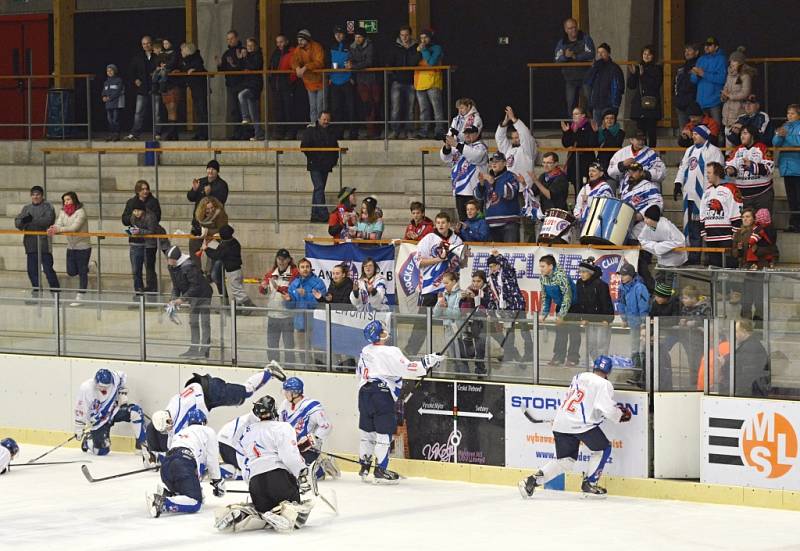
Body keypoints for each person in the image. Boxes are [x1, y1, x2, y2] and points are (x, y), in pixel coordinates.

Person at [519, 355, 632, 498]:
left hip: (561, 422)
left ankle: (531, 481)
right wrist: (619, 415)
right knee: (603, 448)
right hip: (581, 424)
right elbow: (607, 409)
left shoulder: (578, 376)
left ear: (593, 367)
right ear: (608, 372)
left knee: (565, 462)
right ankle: (590, 484)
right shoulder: (604, 384)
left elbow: (586, 401)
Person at [357, 320, 442, 482]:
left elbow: (359, 374)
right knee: (383, 433)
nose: (385, 333)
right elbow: (410, 368)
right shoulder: (390, 351)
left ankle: (364, 467)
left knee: (367, 433)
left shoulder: (365, 350)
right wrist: (428, 361)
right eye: (382, 331)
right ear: (379, 335)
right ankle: (380, 470)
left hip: (363, 393)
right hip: (381, 394)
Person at [143, 365, 282, 462]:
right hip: (203, 391)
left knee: (246, 391)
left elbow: (193, 431)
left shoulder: (181, 417)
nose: (168, 428)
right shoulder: (170, 407)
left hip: (212, 391)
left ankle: (269, 371)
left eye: (167, 425)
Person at [215, 396, 313, 532]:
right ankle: (285, 513)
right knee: (296, 507)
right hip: (278, 480)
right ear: (274, 410)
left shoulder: (247, 432)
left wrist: (250, 482)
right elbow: (289, 456)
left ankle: (246, 513)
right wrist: (302, 473)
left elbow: (244, 460)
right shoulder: (283, 427)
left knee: (261, 510)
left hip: (255, 485)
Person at [146, 409, 224, 517]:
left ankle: (170, 494)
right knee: (195, 502)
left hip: (166, 468)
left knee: (190, 493)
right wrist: (217, 481)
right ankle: (162, 502)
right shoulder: (207, 431)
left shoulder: (180, 433)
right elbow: (212, 459)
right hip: (183, 464)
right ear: (204, 422)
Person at [407, 212, 464, 355]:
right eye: (438, 223)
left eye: (443, 223)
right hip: (429, 288)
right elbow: (419, 262)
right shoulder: (428, 238)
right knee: (421, 324)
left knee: (452, 325)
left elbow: (461, 265)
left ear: (449, 224)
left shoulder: (456, 239)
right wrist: (439, 259)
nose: (440, 226)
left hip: (449, 290)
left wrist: (464, 257)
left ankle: (457, 357)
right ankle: (410, 353)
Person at [673, 124, 724, 263]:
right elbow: (683, 168)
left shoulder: (714, 151)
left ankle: (709, 258)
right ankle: (693, 257)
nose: (693, 136)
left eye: (696, 134)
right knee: (693, 228)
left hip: (706, 196)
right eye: (693, 134)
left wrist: (713, 193)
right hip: (690, 195)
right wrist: (678, 183)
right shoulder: (689, 150)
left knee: (708, 227)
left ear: (704, 135)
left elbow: (718, 173)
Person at [73, 368, 145, 456]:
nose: (104, 389)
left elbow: (122, 377)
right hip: (99, 421)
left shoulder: (115, 378)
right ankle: (88, 441)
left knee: (136, 411)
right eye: (101, 386)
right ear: (95, 382)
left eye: (107, 386)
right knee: (102, 451)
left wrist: (122, 393)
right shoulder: (86, 389)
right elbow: (80, 410)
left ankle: (142, 446)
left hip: (114, 411)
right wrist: (79, 428)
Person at [279, 376, 337, 479]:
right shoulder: (285, 404)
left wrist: (311, 439)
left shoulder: (311, 406)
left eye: (287, 391)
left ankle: (320, 467)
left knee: (302, 475)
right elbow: (279, 423)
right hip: (290, 446)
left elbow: (327, 426)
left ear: (295, 393)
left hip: (307, 448)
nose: (285, 394)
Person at [166, 245, 213, 358]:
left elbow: (195, 286)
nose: (168, 261)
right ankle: (193, 348)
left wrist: (182, 299)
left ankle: (205, 350)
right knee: (193, 322)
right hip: (192, 296)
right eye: (167, 259)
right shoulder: (172, 267)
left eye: (170, 259)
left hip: (203, 295)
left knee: (205, 322)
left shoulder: (189, 266)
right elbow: (176, 285)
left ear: (176, 258)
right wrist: (173, 299)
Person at [487, 251, 533, 365]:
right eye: (490, 267)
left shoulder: (507, 272)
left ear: (499, 265)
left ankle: (529, 352)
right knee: (509, 330)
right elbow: (494, 294)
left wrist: (498, 256)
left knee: (524, 329)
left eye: (493, 265)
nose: (492, 268)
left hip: (517, 305)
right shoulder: (492, 278)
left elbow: (506, 264)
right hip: (505, 308)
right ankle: (509, 352)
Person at [15, 185, 60, 298]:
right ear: (31, 196)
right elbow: (18, 223)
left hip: (44, 244)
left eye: (38, 194)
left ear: (42, 195)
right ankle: (37, 293)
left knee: (48, 270)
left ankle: (56, 293)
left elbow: (48, 221)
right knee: (32, 271)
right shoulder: (26, 208)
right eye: (33, 195)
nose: (35, 197)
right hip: (30, 244)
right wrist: (25, 221)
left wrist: (29, 220)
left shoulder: (48, 206)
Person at [202, 224, 256, 314]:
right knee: (237, 288)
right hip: (237, 270)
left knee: (236, 290)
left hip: (233, 271)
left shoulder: (226, 246)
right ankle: (238, 308)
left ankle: (249, 304)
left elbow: (217, 254)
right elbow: (221, 248)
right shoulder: (233, 241)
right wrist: (211, 242)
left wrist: (206, 249)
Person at [48, 191, 90, 305]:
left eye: (68, 200)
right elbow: (59, 223)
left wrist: (58, 230)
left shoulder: (81, 212)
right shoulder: (63, 212)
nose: (66, 202)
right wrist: (54, 227)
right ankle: (89, 266)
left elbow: (74, 228)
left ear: (74, 200)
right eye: (65, 200)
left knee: (82, 272)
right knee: (71, 271)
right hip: (71, 246)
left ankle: (80, 296)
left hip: (83, 246)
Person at [440, 124, 489, 221]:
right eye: (466, 133)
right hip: (459, 190)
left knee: (476, 220)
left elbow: (475, 156)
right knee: (463, 221)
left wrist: (457, 145)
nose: (467, 135)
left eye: (470, 133)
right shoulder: (459, 146)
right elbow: (445, 158)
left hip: (474, 191)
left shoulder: (481, 147)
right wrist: (447, 145)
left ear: (476, 134)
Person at [260, 249, 298, 366]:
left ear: (289, 260)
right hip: (273, 315)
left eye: (284, 259)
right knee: (272, 345)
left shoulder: (294, 273)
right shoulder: (271, 273)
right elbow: (263, 291)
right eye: (279, 259)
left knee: (288, 345)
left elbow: (292, 291)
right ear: (276, 260)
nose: (281, 262)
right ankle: (273, 367)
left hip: (287, 316)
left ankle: (290, 367)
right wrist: (263, 286)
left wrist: (279, 289)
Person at [571, 257, 614, 361]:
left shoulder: (601, 285)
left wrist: (607, 319)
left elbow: (606, 302)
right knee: (591, 346)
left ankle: (601, 368)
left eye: (584, 272)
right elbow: (580, 302)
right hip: (589, 321)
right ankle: (595, 364)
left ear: (590, 272)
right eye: (580, 272)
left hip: (601, 321)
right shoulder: (579, 284)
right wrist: (582, 317)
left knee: (601, 346)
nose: (581, 274)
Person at [700, 162, 742, 267]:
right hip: (710, 236)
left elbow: (736, 210)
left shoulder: (730, 188)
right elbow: (702, 213)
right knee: (714, 268)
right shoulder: (707, 192)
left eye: (709, 172)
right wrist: (703, 232)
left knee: (730, 266)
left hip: (726, 236)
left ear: (717, 173)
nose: (707, 175)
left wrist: (735, 233)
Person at [123, 196, 165, 296]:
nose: (136, 213)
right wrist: (132, 231)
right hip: (138, 242)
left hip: (150, 243)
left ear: (143, 210)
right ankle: (139, 290)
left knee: (149, 267)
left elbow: (151, 231)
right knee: (136, 269)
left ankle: (152, 290)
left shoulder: (151, 217)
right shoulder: (133, 217)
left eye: (138, 211)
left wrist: (139, 231)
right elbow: (134, 227)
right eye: (134, 211)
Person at [301, 111, 340, 222]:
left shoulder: (331, 132)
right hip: (315, 164)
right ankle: (323, 213)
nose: (326, 122)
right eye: (324, 119)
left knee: (319, 188)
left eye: (328, 119)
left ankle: (315, 214)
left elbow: (335, 147)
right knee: (319, 187)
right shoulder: (311, 130)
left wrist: (333, 161)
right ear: (319, 119)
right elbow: (304, 146)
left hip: (326, 165)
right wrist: (312, 157)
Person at [187, 160, 229, 262]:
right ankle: (197, 273)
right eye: (209, 168)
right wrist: (194, 190)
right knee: (194, 248)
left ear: (217, 171)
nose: (210, 171)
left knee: (213, 252)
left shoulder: (222, 185)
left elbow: (221, 201)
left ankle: (210, 275)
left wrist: (210, 193)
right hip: (198, 223)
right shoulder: (201, 182)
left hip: (213, 225)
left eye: (213, 169)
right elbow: (190, 197)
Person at [725, 125, 774, 212]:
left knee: (763, 222)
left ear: (752, 135)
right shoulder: (737, 150)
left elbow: (769, 167)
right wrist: (730, 169)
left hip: (762, 194)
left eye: (745, 133)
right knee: (745, 224)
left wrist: (752, 165)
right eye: (741, 134)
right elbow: (728, 163)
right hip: (742, 196)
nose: (742, 136)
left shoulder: (762, 148)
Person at [287, 258, 327, 362]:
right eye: (302, 267)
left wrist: (306, 295)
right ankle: (305, 368)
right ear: (299, 270)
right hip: (300, 323)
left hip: (315, 323)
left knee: (318, 350)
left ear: (311, 268)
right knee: (302, 350)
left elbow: (320, 303)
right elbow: (290, 306)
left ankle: (320, 370)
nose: (305, 269)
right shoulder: (294, 284)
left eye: (307, 267)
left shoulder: (318, 283)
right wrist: (289, 300)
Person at [538, 254, 576, 366]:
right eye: (540, 266)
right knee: (560, 333)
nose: (541, 269)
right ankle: (558, 356)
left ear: (550, 266)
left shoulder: (561, 276)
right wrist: (544, 314)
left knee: (574, 333)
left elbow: (567, 296)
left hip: (574, 306)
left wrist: (561, 315)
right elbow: (546, 297)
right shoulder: (543, 278)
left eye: (543, 266)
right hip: (560, 305)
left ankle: (573, 357)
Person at [475, 152, 520, 242]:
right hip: (491, 224)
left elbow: (510, 194)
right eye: (492, 161)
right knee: (495, 255)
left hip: (509, 223)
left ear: (504, 163)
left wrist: (494, 182)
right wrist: (481, 184)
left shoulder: (511, 176)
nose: (494, 163)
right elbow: (478, 196)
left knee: (509, 253)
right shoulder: (487, 178)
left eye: (497, 161)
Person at [554, 18, 595, 115]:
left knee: (590, 102)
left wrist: (575, 56)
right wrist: (565, 56)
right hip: (570, 79)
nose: (573, 30)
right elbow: (556, 58)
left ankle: (592, 125)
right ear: (565, 30)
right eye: (570, 28)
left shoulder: (586, 38)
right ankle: (572, 127)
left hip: (586, 77)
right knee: (571, 104)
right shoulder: (562, 42)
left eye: (574, 27)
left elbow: (591, 54)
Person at [608, 130, 666, 198]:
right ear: (631, 140)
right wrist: (622, 165)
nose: (641, 142)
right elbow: (610, 172)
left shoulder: (651, 154)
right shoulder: (622, 153)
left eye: (643, 139)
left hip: (646, 191)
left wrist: (645, 174)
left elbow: (662, 172)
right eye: (638, 139)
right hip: (627, 191)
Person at [386, 26, 421, 139]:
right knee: (396, 108)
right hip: (397, 81)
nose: (404, 37)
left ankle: (409, 131)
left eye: (406, 35)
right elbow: (389, 63)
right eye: (402, 35)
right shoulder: (395, 47)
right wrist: (394, 75)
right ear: (399, 36)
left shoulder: (416, 47)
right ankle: (395, 131)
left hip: (411, 81)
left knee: (410, 108)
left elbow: (415, 62)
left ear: (410, 35)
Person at [638, 206, 688, 282]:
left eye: (647, 218)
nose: (645, 221)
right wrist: (655, 246)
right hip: (662, 259)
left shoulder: (666, 225)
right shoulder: (647, 227)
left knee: (669, 280)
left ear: (654, 218)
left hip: (675, 258)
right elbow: (642, 240)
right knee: (660, 279)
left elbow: (680, 240)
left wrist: (660, 246)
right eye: (644, 218)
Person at [433, 271, 469, 373]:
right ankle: (456, 378)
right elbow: (435, 313)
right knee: (452, 357)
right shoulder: (443, 294)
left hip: (458, 329)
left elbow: (457, 313)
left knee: (460, 357)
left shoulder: (461, 294)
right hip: (448, 328)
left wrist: (444, 308)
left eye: (447, 283)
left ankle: (464, 379)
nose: (445, 286)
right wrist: (441, 305)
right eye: (443, 283)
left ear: (454, 282)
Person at [627, 45, 662, 146]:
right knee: (640, 133)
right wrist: (633, 74)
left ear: (653, 56)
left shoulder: (657, 69)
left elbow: (656, 85)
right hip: (640, 105)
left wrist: (643, 76)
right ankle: (641, 154)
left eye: (649, 54)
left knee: (651, 132)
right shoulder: (638, 67)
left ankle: (651, 155)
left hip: (652, 105)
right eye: (644, 54)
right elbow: (631, 86)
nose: (646, 56)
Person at [616, 262, 650, 369]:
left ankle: (644, 367)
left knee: (643, 346)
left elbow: (643, 306)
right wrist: (624, 319)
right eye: (621, 275)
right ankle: (636, 366)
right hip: (632, 322)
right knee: (634, 346)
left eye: (624, 275)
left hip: (641, 323)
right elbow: (621, 303)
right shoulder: (621, 287)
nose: (622, 277)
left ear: (631, 275)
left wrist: (644, 322)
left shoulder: (640, 287)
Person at [125, 35, 158, 141]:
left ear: (151, 43)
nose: (146, 45)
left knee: (157, 112)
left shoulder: (157, 55)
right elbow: (131, 71)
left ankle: (157, 133)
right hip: (142, 88)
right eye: (144, 44)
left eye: (148, 43)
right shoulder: (138, 57)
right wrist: (135, 80)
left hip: (155, 87)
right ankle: (135, 133)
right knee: (138, 112)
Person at [350, 27, 380, 139]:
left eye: (360, 37)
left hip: (373, 80)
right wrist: (353, 67)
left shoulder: (370, 45)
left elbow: (369, 61)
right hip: (361, 80)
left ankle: (376, 130)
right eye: (356, 37)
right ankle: (370, 131)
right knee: (366, 106)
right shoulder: (352, 47)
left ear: (364, 37)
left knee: (375, 105)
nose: (357, 39)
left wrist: (354, 66)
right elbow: (350, 60)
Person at [194, 196, 228, 295]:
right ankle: (223, 300)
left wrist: (208, 232)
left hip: (221, 249)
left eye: (212, 208)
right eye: (207, 209)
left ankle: (224, 300)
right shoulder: (202, 219)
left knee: (215, 275)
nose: (210, 211)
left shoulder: (221, 215)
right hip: (211, 248)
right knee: (214, 276)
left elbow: (222, 229)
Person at [495, 105, 536, 187]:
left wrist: (514, 119)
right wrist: (505, 122)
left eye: (517, 137)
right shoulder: (508, 149)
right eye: (513, 138)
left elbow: (525, 134)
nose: (515, 140)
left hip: (524, 189)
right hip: (510, 189)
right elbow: (499, 138)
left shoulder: (528, 150)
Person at [414, 29, 445, 139]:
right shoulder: (416, 48)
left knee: (437, 108)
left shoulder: (437, 48)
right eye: (421, 38)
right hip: (419, 82)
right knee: (423, 109)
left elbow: (431, 63)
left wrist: (424, 50)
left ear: (430, 38)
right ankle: (424, 131)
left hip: (433, 82)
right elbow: (413, 61)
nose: (423, 40)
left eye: (425, 37)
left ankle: (439, 130)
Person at [560, 105, 597, 195]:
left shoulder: (588, 126)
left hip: (585, 160)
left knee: (584, 186)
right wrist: (566, 132)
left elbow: (586, 142)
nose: (574, 116)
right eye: (573, 114)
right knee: (576, 185)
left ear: (583, 115)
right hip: (574, 161)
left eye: (576, 114)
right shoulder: (572, 127)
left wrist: (595, 132)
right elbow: (566, 144)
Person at [216, 30, 246, 140]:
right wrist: (219, 65)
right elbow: (222, 69)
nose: (230, 41)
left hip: (242, 84)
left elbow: (244, 66)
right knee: (234, 110)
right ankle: (237, 133)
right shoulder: (226, 54)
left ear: (237, 38)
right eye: (228, 39)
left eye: (232, 38)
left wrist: (241, 59)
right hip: (231, 85)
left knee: (243, 110)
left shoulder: (243, 50)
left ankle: (245, 133)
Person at [460, 270, 491, 374]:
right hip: (470, 322)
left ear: (483, 282)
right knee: (469, 348)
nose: (475, 283)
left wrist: (475, 297)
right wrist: (463, 298)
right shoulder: (469, 289)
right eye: (473, 281)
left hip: (482, 322)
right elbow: (461, 307)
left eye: (478, 281)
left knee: (480, 347)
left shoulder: (488, 291)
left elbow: (487, 304)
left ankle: (480, 369)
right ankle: (471, 357)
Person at [721, 47, 754, 145]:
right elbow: (725, 88)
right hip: (727, 113)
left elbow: (745, 92)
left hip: (738, 113)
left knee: (738, 145)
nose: (732, 63)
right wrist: (723, 96)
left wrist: (730, 95)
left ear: (740, 63)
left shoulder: (745, 76)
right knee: (728, 147)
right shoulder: (729, 75)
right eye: (731, 61)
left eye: (734, 61)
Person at [584, 43, 624, 125]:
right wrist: (593, 68)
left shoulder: (614, 68)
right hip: (597, 103)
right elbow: (588, 81)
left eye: (603, 52)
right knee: (596, 130)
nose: (600, 55)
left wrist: (615, 104)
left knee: (610, 129)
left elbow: (619, 87)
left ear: (608, 53)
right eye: (599, 52)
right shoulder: (596, 67)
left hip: (609, 104)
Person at [774, 104, 800, 231]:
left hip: (798, 168)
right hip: (787, 168)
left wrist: (786, 135)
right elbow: (775, 143)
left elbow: (798, 142)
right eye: (788, 113)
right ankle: (794, 224)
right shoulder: (784, 126)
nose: (789, 115)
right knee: (792, 200)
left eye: (793, 113)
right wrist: (779, 134)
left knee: (798, 199)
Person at [292, 29, 325, 124]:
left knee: (320, 107)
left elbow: (319, 62)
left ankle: (321, 127)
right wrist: (297, 67)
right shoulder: (298, 49)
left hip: (320, 81)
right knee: (313, 107)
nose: (299, 42)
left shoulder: (317, 47)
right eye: (298, 40)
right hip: (308, 81)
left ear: (307, 39)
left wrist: (306, 67)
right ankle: (313, 127)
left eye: (302, 40)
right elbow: (294, 60)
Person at [328, 25, 354, 140]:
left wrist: (353, 76)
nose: (338, 36)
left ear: (344, 34)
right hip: (334, 81)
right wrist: (329, 76)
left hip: (347, 80)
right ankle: (339, 133)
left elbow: (355, 61)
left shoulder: (351, 46)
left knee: (351, 107)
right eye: (336, 34)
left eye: (340, 34)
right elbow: (328, 62)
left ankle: (353, 132)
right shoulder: (332, 46)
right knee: (336, 108)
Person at [270, 34, 298, 140]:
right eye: (277, 42)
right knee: (278, 109)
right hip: (276, 86)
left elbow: (295, 67)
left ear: (286, 41)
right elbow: (271, 67)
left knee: (289, 109)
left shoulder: (292, 52)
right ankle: (279, 131)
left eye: (281, 42)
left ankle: (291, 132)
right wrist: (271, 81)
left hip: (287, 85)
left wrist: (290, 81)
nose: (279, 44)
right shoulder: (275, 53)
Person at [178, 42, 208, 141]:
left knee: (202, 111)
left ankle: (204, 134)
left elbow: (199, 66)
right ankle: (199, 133)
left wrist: (193, 69)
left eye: (183, 49)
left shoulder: (196, 58)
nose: (181, 51)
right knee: (198, 112)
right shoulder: (186, 59)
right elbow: (184, 68)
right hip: (194, 88)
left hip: (200, 87)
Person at [239, 37, 265, 141]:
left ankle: (245, 117)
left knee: (241, 95)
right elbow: (242, 67)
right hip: (248, 84)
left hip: (255, 85)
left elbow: (254, 66)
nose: (249, 47)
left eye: (251, 46)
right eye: (247, 45)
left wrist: (245, 58)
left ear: (255, 46)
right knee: (254, 111)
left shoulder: (258, 55)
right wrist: (241, 58)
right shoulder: (247, 56)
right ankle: (259, 133)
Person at [531, 152, 570, 221]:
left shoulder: (561, 178)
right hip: (544, 215)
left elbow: (550, 195)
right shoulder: (543, 176)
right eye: (544, 162)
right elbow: (533, 192)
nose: (545, 165)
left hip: (558, 217)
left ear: (556, 163)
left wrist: (536, 181)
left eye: (549, 163)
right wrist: (523, 184)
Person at [573, 161, 613, 226]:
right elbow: (578, 205)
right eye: (589, 171)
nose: (590, 173)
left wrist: (588, 199)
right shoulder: (585, 187)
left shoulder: (605, 188)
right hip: (583, 224)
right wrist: (578, 215)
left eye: (594, 171)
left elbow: (603, 205)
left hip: (598, 225)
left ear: (601, 173)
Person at [674, 43, 700, 130]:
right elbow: (676, 84)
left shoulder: (699, 66)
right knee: (684, 132)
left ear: (696, 52)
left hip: (693, 103)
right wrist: (676, 97)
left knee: (695, 131)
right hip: (681, 103)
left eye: (689, 50)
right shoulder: (681, 68)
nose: (687, 52)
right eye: (685, 50)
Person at [596, 109, 625, 175]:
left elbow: (614, 144)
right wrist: (594, 133)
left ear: (615, 120)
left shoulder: (621, 132)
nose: (609, 120)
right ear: (603, 120)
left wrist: (605, 131)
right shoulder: (599, 131)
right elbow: (594, 144)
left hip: (615, 161)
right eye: (607, 118)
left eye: (612, 118)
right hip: (602, 161)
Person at [101, 64, 125, 141]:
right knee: (109, 120)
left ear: (115, 71)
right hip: (108, 104)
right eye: (108, 71)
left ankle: (116, 134)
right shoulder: (106, 82)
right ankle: (111, 134)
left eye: (111, 70)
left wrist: (109, 98)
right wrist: (104, 96)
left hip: (116, 103)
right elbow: (104, 91)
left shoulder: (118, 80)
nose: (109, 72)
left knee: (115, 119)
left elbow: (117, 91)